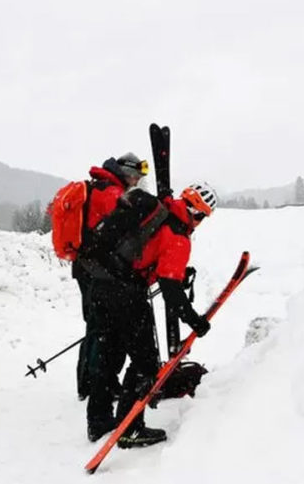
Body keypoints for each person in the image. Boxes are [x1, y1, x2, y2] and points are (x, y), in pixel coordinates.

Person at [80, 181, 216, 448]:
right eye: (202, 217)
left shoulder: (160, 209)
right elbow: (171, 293)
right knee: (145, 364)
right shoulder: (178, 236)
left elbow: (149, 255)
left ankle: (98, 421)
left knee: (109, 354)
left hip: (100, 283)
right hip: (126, 295)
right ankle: (131, 429)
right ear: (197, 213)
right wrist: (196, 321)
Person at [74, 153, 147, 400]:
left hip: (87, 266)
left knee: (95, 326)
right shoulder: (111, 194)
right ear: (126, 173)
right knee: (101, 330)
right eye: (136, 176)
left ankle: (91, 383)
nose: (136, 182)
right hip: (96, 269)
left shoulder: (100, 186)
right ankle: (96, 385)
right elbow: (115, 234)